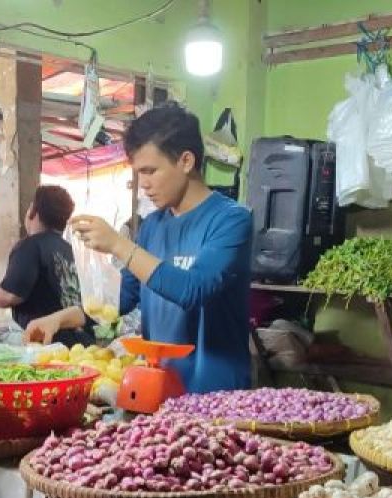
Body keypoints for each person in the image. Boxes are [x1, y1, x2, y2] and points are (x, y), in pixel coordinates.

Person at [68, 103, 253, 393]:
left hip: (218, 397)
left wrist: (119, 244)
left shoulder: (231, 220)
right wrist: (61, 318)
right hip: (160, 390)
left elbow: (193, 289)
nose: (143, 185)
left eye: (150, 171)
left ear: (186, 161)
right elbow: (123, 298)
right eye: (139, 173)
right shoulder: (152, 226)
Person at [0, 186, 93, 347]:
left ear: (33, 212)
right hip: (81, 343)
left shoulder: (31, 245)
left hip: (46, 344)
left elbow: (8, 296)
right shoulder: (70, 249)